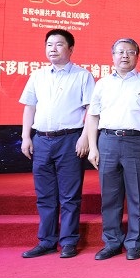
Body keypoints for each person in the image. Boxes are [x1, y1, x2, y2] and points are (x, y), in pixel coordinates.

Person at [19, 29, 95, 259]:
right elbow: (30, 106)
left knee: (70, 195)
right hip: (41, 139)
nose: (53, 49)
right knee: (45, 195)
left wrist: (85, 137)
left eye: (59, 44)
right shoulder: (38, 76)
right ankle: (47, 241)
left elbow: (91, 109)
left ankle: (69, 241)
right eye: (49, 44)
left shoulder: (82, 76)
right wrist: (26, 136)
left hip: (70, 139)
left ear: (70, 49)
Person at [86, 38, 140, 261]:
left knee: (137, 196)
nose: (125, 56)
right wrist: (93, 147)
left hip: (136, 142)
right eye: (120, 52)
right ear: (113, 56)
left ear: (137, 56)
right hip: (107, 141)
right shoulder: (102, 84)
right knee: (110, 197)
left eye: (130, 52)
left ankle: (135, 242)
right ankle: (112, 242)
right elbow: (93, 116)